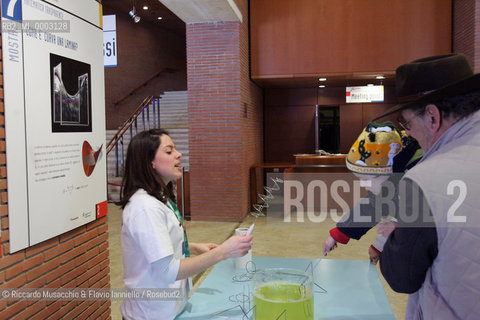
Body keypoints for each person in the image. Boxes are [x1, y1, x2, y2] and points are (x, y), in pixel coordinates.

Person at [374, 53, 480, 319]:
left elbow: (402, 277)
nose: (407, 133)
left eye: (407, 123)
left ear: (432, 117)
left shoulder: (426, 180)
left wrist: (389, 236)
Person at [118, 129, 253, 320]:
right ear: (151, 162)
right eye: (169, 151)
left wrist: (193, 247)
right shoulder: (145, 207)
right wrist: (223, 252)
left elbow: (157, 247)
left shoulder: (160, 198)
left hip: (171, 309)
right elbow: (167, 270)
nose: (178, 154)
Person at [322, 121, 422, 264]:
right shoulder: (392, 176)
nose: (363, 185)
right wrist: (337, 235)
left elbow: (421, 222)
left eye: (366, 179)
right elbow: (374, 205)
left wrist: (392, 233)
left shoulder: (418, 177)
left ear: (388, 171)